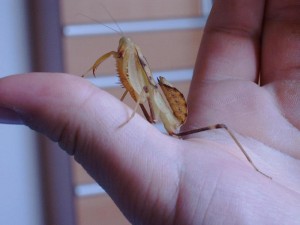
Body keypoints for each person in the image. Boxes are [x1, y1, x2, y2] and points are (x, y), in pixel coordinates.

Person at [1, 0, 299, 224]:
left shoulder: (146, 85)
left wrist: (132, 113)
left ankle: (256, 166)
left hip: (174, 117)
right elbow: (135, 82)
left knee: (219, 126)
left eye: (124, 49)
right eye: (121, 49)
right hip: (162, 108)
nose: (121, 51)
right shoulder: (137, 73)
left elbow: (141, 90)